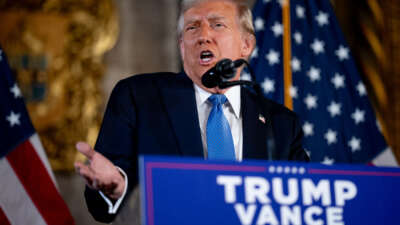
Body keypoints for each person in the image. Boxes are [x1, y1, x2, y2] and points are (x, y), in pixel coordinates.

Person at [74, 0, 309, 223]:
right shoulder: (138, 98)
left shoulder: (281, 124)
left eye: (218, 24)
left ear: (246, 45)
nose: (203, 36)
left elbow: (304, 202)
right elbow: (99, 204)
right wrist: (117, 188)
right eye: (192, 27)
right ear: (182, 46)